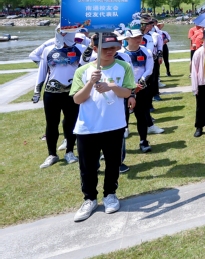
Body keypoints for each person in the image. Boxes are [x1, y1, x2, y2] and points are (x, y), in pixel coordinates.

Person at [70, 34, 135, 222]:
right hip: (88, 127)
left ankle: (110, 195)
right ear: (95, 48)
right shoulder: (82, 71)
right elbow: (77, 99)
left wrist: (111, 86)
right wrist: (91, 83)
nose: (109, 51)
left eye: (113, 47)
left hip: (114, 125)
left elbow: (127, 92)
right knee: (88, 167)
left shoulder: (123, 67)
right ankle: (89, 199)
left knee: (113, 163)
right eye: (105, 48)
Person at [33, 27, 85, 168]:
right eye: (61, 32)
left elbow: (86, 68)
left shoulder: (81, 49)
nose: (64, 35)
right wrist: (37, 91)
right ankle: (52, 154)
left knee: (71, 122)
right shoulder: (48, 50)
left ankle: (70, 151)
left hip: (72, 92)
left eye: (67, 32)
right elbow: (42, 71)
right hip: (52, 92)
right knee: (51, 123)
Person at [124, 29, 158, 153]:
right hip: (125, 89)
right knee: (123, 116)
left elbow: (149, 69)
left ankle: (143, 141)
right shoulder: (121, 53)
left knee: (141, 115)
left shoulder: (146, 51)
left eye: (140, 37)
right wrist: (130, 85)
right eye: (134, 37)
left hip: (141, 88)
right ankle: (121, 143)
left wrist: (140, 83)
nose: (138, 39)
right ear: (127, 39)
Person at [189, 29, 205, 138]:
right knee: (201, 105)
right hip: (202, 80)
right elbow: (194, 71)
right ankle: (199, 126)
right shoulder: (199, 52)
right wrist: (195, 86)